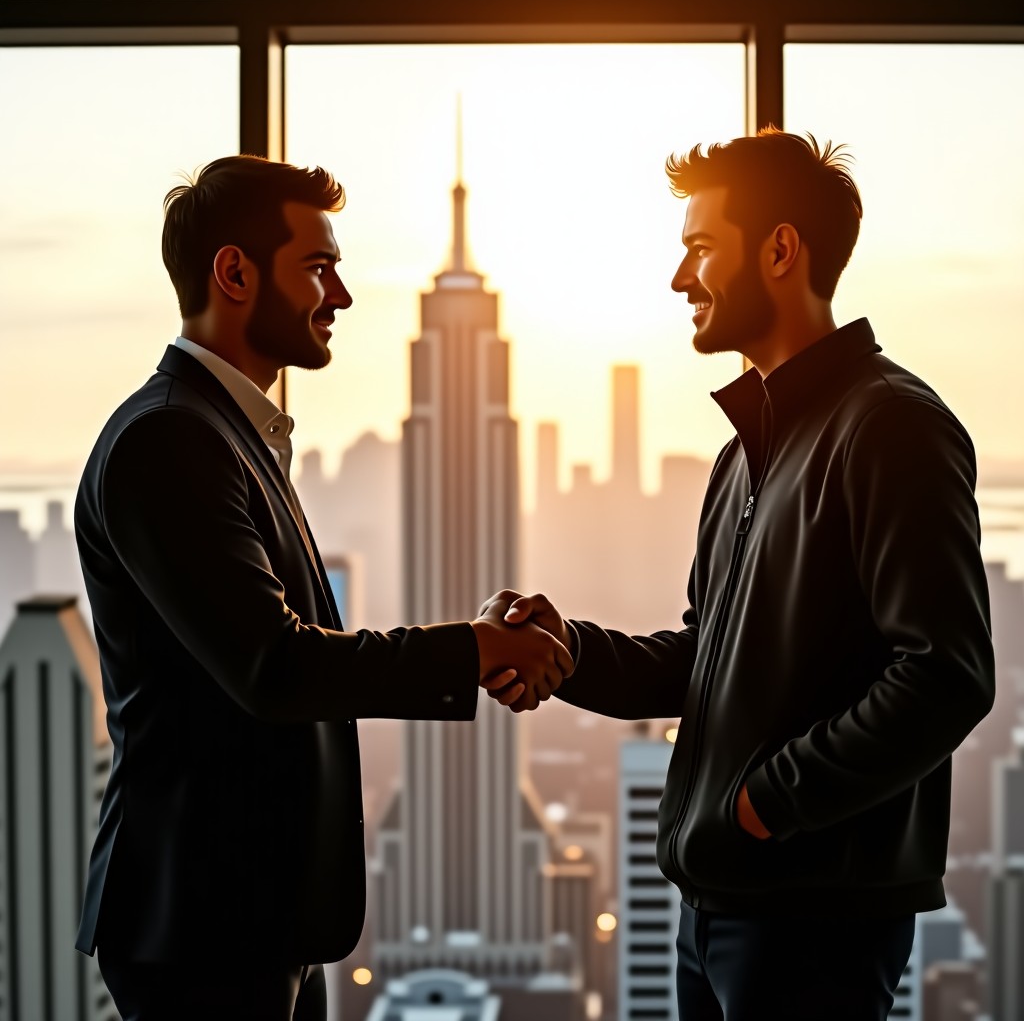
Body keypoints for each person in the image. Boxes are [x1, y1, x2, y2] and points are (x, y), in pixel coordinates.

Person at [488, 127, 995, 1020]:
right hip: (716, 910)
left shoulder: (891, 426)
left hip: (813, 923)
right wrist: (567, 650)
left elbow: (947, 674)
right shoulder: (745, 456)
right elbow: (706, 661)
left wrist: (768, 802)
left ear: (780, 249)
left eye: (699, 249)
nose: (681, 279)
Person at [74, 154, 571, 1021]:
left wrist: (475, 639)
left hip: (256, 915)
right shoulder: (170, 440)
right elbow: (274, 665)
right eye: (317, 266)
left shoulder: (224, 432)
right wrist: (475, 649)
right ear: (234, 272)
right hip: (204, 925)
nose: (339, 295)